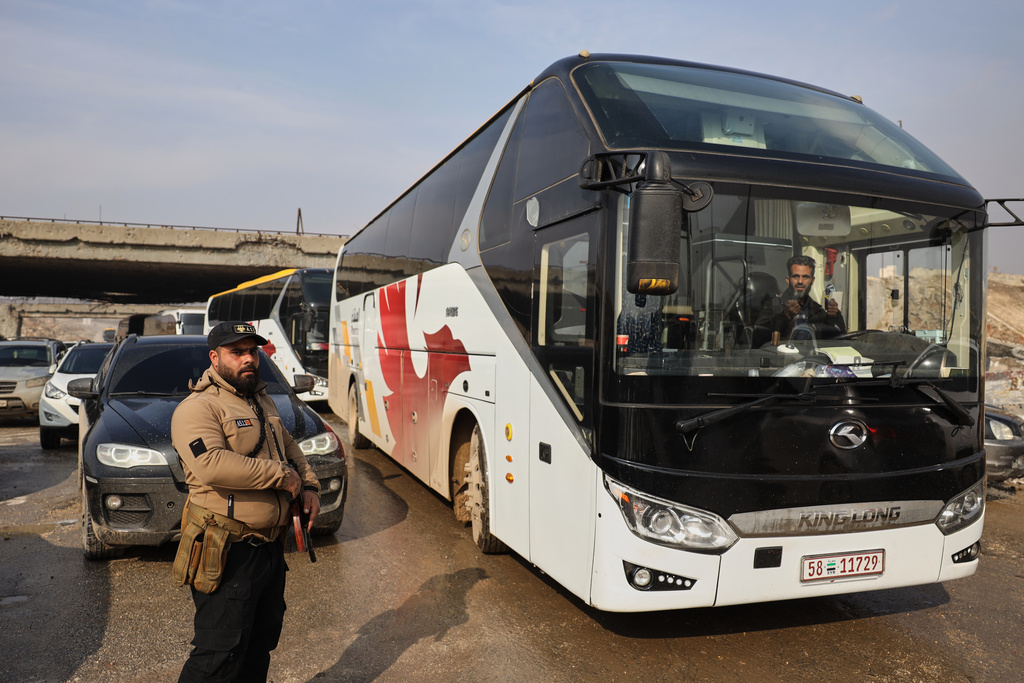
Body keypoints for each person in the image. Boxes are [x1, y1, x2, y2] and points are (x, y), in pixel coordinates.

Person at [171, 321, 320, 682]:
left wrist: (310, 485)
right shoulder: (198, 408)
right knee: (219, 654)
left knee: (258, 645)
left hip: (269, 548)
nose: (247, 359)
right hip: (227, 550)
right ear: (215, 357)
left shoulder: (261, 399)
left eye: (252, 351)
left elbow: (288, 446)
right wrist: (282, 476)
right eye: (236, 352)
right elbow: (212, 464)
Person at [752, 255, 846, 346]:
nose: (800, 281)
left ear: (812, 281)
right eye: (796, 276)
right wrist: (785, 317)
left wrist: (835, 317)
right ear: (788, 280)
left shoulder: (817, 310)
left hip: (810, 360)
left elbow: (836, 341)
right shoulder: (772, 305)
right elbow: (758, 340)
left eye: (805, 277)